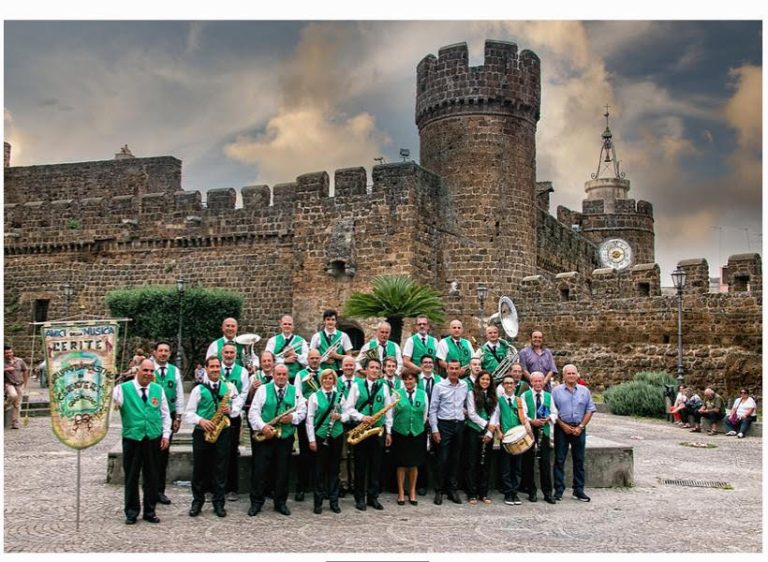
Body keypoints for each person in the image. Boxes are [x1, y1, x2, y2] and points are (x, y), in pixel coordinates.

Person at [112, 359, 171, 524]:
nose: (148, 374)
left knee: (152, 476)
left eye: (151, 371)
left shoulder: (158, 389)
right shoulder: (122, 389)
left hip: (153, 437)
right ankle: (131, 512)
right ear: (137, 370)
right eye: (145, 370)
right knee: (131, 476)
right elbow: (109, 405)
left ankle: (150, 511)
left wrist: (166, 435)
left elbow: (165, 413)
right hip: (133, 438)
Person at [184, 356, 242, 518]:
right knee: (199, 469)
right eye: (212, 367)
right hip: (202, 432)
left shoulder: (229, 387)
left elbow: (238, 405)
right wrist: (201, 421)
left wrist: (231, 409)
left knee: (221, 468)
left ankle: (219, 502)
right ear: (206, 369)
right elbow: (189, 413)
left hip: (222, 432)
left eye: (217, 366)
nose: (216, 369)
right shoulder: (198, 389)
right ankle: (197, 501)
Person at [248, 364, 307, 516]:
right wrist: (263, 427)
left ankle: (280, 502)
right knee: (260, 470)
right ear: (273, 375)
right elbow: (253, 413)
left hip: (284, 437)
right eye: (278, 374)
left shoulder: (295, 391)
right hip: (266, 435)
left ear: (287, 376)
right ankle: (256, 502)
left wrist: (292, 417)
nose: (281, 377)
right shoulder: (263, 389)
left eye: (284, 374)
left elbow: (302, 411)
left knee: (283, 471)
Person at [343, 357, 393, 511]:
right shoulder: (356, 385)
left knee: (376, 466)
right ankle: (359, 498)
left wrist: (389, 432)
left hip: (377, 431)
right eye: (372, 367)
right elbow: (349, 408)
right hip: (362, 430)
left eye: (377, 368)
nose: (375, 370)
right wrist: (361, 417)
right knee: (360, 465)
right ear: (366, 370)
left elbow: (388, 411)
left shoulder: (384, 387)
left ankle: (373, 497)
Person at [552, 364, 596, 502]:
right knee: (559, 460)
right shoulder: (556, 391)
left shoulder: (585, 391)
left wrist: (581, 426)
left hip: (579, 429)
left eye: (573, 373)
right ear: (564, 375)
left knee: (579, 460)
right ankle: (559, 490)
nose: (571, 376)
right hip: (562, 429)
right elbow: (553, 411)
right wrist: (563, 425)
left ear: (577, 375)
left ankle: (578, 490)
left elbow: (590, 410)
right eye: (568, 373)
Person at [429, 358, 469, 505]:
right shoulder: (439, 386)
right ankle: (439, 490)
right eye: (451, 368)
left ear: (460, 370)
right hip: (444, 425)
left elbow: (465, 404)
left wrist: (464, 411)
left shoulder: (464, 385)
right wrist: (435, 430)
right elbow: (433, 409)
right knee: (442, 459)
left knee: (455, 459)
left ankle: (452, 490)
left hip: (459, 424)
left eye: (456, 368)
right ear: (447, 370)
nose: (454, 371)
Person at [306, 369, 346, 514]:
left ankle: (334, 502)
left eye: (330, 378)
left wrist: (340, 417)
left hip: (337, 435)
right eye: (325, 378)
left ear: (334, 380)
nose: (327, 381)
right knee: (319, 470)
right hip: (321, 435)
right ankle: (318, 502)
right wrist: (311, 439)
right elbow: (309, 419)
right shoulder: (314, 396)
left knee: (334, 469)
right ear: (321, 380)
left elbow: (348, 413)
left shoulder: (340, 396)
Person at [151, 341, 185, 505]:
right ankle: (150, 491)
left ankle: (160, 491)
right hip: (151, 415)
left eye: (166, 351)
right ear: (155, 352)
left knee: (163, 454)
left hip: (169, 415)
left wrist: (178, 417)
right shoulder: (148, 369)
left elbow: (179, 394)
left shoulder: (174, 371)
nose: (163, 354)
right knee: (150, 454)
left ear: (170, 353)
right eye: (161, 351)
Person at [492, 373, 531, 506]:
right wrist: (498, 432)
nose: (509, 385)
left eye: (511, 383)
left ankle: (515, 492)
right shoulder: (499, 400)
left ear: (515, 385)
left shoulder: (520, 401)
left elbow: (524, 417)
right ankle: (508, 492)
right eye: (506, 383)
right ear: (503, 385)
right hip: (506, 437)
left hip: (518, 437)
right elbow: (496, 417)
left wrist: (527, 429)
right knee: (506, 466)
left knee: (517, 466)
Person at [218, 342, 250, 502]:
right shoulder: (215, 368)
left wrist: (233, 409)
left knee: (232, 451)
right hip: (216, 416)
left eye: (232, 353)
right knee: (215, 452)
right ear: (222, 353)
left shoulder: (242, 371)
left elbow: (244, 393)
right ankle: (214, 487)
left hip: (233, 416)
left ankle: (232, 488)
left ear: (236, 355)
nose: (229, 355)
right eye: (227, 352)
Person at [520, 371, 558, 504]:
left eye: (540, 381)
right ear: (531, 382)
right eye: (535, 381)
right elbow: (523, 414)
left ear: (543, 382)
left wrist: (549, 418)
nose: (538, 383)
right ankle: (531, 491)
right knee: (529, 462)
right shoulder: (525, 395)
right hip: (530, 431)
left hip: (544, 432)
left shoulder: (548, 396)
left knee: (545, 463)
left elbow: (554, 412)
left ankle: (548, 493)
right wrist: (532, 421)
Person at [391, 370, 428, 506]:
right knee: (401, 464)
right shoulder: (396, 394)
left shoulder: (423, 394)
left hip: (417, 433)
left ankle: (412, 491)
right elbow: (391, 414)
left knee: (414, 464)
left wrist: (416, 426)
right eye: (406, 379)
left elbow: (424, 414)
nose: (408, 382)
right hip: (400, 432)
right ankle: (401, 492)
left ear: (416, 380)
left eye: (411, 379)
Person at [292, 348, 322, 501]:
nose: (315, 360)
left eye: (317, 358)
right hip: (305, 416)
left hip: (321, 417)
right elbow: (297, 393)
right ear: (308, 359)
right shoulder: (300, 374)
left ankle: (320, 487)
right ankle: (301, 487)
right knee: (304, 453)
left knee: (321, 454)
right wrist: (307, 401)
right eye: (312, 358)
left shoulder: (325, 373)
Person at [465, 370, 498, 504]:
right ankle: (472, 493)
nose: (485, 381)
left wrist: (490, 432)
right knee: (472, 462)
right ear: (478, 380)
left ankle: (483, 493)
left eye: (487, 379)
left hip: (488, 432)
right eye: (482, 379)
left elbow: (495, 413)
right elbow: (472, 414)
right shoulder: (471, 394)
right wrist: (486, 425)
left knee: (486, 463)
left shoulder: (493, 395)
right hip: (474, 430)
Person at [415, 355, 441, 495]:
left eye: (430, 362)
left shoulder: (440, 380)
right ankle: (421, 484)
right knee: (421, 453)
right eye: (425, 362)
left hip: (437, 420)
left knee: (438, 453)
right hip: (421, 421)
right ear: (421, 364)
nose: (428, 365)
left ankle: (438, 484)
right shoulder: (416, 380)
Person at [337, 355, 358, 497]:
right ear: (342, 367)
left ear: (355, 367)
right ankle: (343, 483)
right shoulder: (336, 381)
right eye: (346, 365)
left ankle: (355, 483)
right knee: (343, 454)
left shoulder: (360, 382)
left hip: (357, 422)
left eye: (351, 365)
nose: (349, 367)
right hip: (342, 422)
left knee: (356, 454)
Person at [265, 314, 309, 381]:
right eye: (285, 324)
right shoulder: (272, 340)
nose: (287, 326)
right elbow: (268, 360)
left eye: (289, 324)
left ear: (293, 326)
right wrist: (284, 361)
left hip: (296, 378)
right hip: (277, 378)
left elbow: (307, 361)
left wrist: (295, 355)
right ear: (281, 325)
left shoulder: (301, 341)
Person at [310, 309, 353, 373]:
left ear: (336, 321)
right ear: (324, 321)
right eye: (328, 319)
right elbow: (311, 356)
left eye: (333, 319)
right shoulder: (316, 336)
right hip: (322, 372)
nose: (330, 322)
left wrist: (337, 356)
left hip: (339, 371)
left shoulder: (343, 336)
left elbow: (350, 357)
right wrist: (324, 360)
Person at [4, 344, 29, 430]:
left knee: (17, 405)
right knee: (13, 395)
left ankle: (15, 423)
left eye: (10, 352)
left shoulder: (19, 360)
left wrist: (25, 383)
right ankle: (4, 406)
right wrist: (6, 369)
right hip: (9, 384)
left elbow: (25, 370)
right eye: (6, 353)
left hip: (19, 384)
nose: (9, 354)